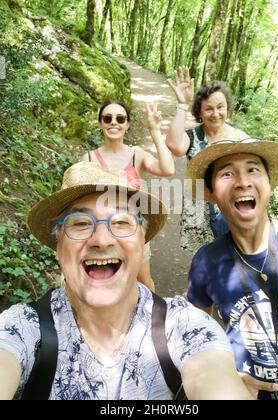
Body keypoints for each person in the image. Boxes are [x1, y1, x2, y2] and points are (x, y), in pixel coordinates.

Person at [0, 161, 254, 400]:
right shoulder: (22, 328)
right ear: (58, 248)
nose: (102, 239)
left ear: (142, 244)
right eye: (79, 223)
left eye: (121, 222)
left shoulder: (184, 326)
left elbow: (215, 377)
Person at [187, 138, 278, 400]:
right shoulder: (206, 262)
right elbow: (194, 338)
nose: (242, 181)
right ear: (210, 194)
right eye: (227, 173)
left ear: (269, 184)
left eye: (253, 170)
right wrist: (221, 379)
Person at [82, 100, 175, 292]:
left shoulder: (137, 156)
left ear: (127, 124)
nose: (113, 123)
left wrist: (155, 131)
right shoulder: (88, 159)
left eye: (120, 118)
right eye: (108, 118)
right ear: (100, 124)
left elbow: (168, 168)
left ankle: (150, 316)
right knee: (105, 280)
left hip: (132, 229)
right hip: (100, 232)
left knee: (143, 281)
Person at [166, 67, 248, 253]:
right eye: (208, 109)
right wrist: (181, 104)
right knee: (203, 263)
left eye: (220, 107)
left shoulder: (239, 138)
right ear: (199, 113)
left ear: (228, 108)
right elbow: (173, 145)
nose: (215, 113)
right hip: (198, 211)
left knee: (233, 260)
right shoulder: (193, 135)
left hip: (231, 210)